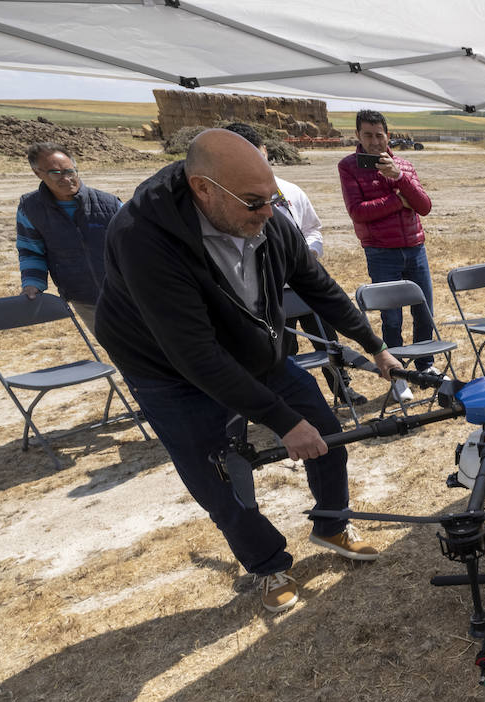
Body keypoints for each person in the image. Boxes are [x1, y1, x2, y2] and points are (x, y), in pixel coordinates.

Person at [95, 129, 402, 612]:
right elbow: (194, 354)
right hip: (168, 370)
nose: (268, 213)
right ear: (203, 189)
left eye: (273, 199)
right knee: (217, 472)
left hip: (252, 347)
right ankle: (267, 564)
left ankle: (331, 525)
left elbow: (317, 285)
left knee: (325, 432)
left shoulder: (266, 217)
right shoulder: (142, 237)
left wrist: (374, 345)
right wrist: (282, 422)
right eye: (255, 203)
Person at [222, 122, 365, 407]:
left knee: (328, 340)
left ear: (265, 151)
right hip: (268, 294)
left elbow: (312, 229)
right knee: (281, 349)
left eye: (257, 155)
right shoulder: (228, 202)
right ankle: (288, 400)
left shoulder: (291, 191)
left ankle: (342, 388)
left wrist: (310, 252)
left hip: (305, 285)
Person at [338, 109, 435, 403]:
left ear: (388, 135)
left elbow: (424, 206)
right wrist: (397, 201)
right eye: (367, 135)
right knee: (391, 318)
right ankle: (398, 375)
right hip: (381, 252)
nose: (374, 141)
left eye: (379, 135)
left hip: (415, 247)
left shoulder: (403, 165)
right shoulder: (349, 167)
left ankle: (426, 365)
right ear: (358, 135)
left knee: (424, 311)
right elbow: (358, 212)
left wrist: (400, 178)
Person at [15, 142, 122, 329]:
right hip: (84, 298)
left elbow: (136, 244)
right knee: (113, 344)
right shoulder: (30, 209)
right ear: (37, 173)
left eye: (70, 171)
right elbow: (31, 251)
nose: (66, 179)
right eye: (56, 173)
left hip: (126, 294)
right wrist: (32, 283)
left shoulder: (110, 204)